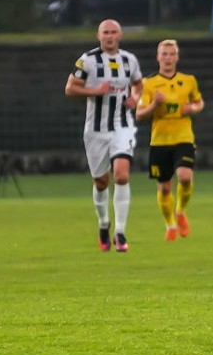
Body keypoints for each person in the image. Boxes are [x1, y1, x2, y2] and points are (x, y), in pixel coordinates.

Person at [64, 19, 143, 252]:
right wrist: (94, 91)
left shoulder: (130, 60)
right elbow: (70, 88)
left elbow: (139, 85)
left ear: (120, 36)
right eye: (105, 32)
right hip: (96, 130)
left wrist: (136, 98)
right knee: (101, 181)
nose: (109, 36)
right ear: (98, 36)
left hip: (123, 125)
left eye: (114, 32)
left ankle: (120, 232)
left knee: (120, 175)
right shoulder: (87, 60)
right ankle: (103, 224)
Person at [136, 39, 205, 241]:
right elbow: (140, 115)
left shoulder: (189, 80)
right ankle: (170, 225)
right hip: (159, 140)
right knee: (164, 187)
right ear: (158, 57)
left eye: (171, 54)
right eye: (164, 54)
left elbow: (199, 102)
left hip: (183, 137)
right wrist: (154, 104)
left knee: (184, 177)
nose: (168, 58)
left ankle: (181, 211)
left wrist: (192, 109)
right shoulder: (148, 84)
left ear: (177, 57)